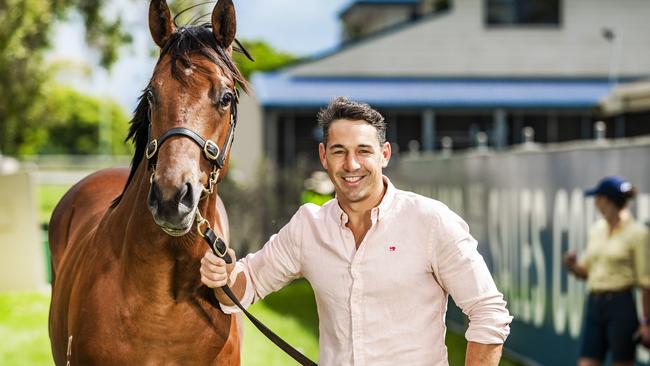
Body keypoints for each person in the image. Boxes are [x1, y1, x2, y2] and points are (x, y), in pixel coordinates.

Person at [200, 97, 512, 365]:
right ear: (324, 156)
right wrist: (224, 277)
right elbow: (243, 288)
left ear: (384, 155)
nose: (351, 164)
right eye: (339, 151)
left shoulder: (431, 221)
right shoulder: (308, 227)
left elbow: (489, 312)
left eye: (364, 150)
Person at [563, 176, 650, 366]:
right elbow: (586, 272)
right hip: (595, 304)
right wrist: (571, 265)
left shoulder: (638, 233)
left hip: (621, 305)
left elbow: (646, 283)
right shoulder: (596, 230)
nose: (595, 203)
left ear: (606, 200)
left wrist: (647, 323)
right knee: (586, 362)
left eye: (598, 198)